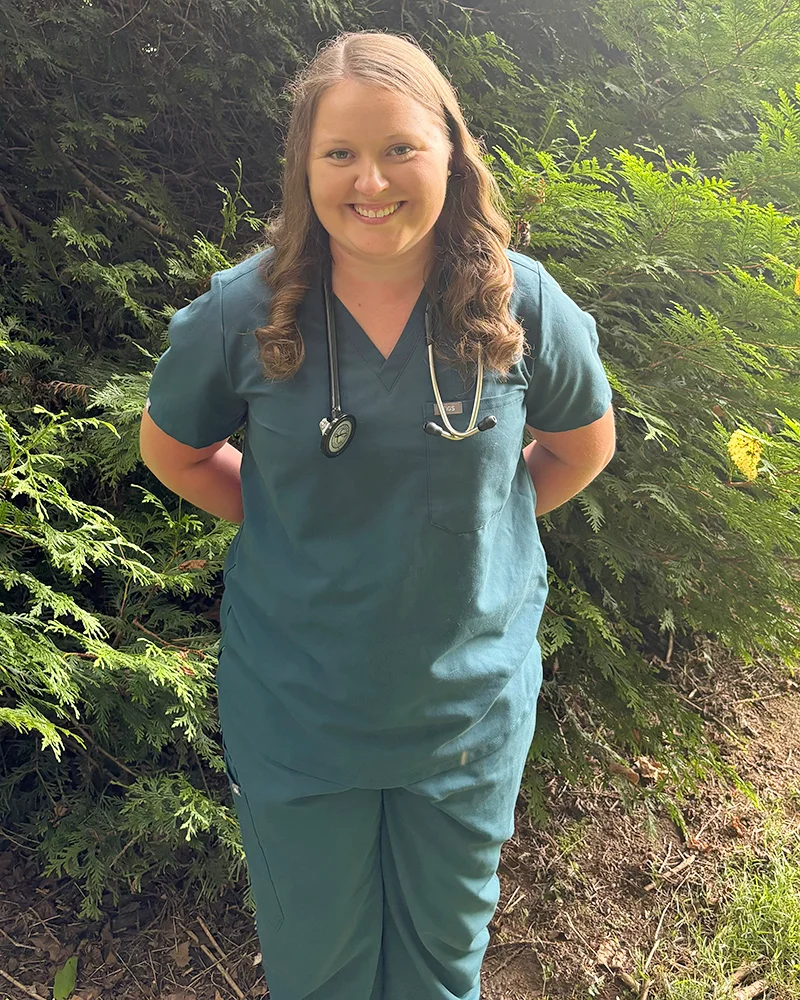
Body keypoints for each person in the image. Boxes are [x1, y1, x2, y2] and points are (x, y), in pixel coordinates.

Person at [139, 29, 615, 1000]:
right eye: (339, 153)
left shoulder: (521, 305)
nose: (370, 181)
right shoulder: (241, 313)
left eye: (399, 147)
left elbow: (579, 446)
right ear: (303, 166)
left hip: (467, 715)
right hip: (300, 710)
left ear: (449, 150)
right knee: (321, 973)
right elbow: (174, 452)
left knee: (442, 965)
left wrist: (488, 531)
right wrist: (283, 526)